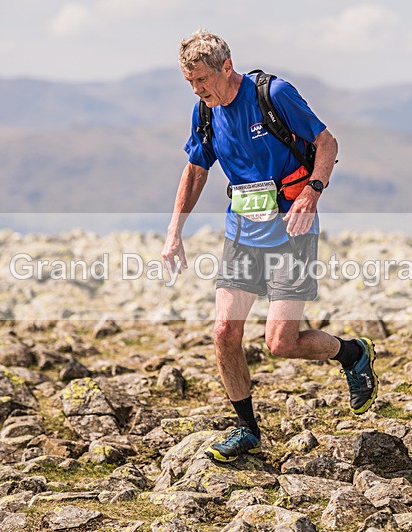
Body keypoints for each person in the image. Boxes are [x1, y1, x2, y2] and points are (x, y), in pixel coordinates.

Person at [162, 31, 378, 463]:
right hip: (243, 231)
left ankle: (353, 353)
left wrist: (312, 192)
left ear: (227, 67)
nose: (197, 89)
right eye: (189, 82)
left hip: (292, 230)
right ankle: (247, 429)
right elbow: (196, 167)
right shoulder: (204, 113)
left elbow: (327, 143)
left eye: (201, 79)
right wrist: (175, 230)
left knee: (281, 341)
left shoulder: (272, 93)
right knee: (224, 332)